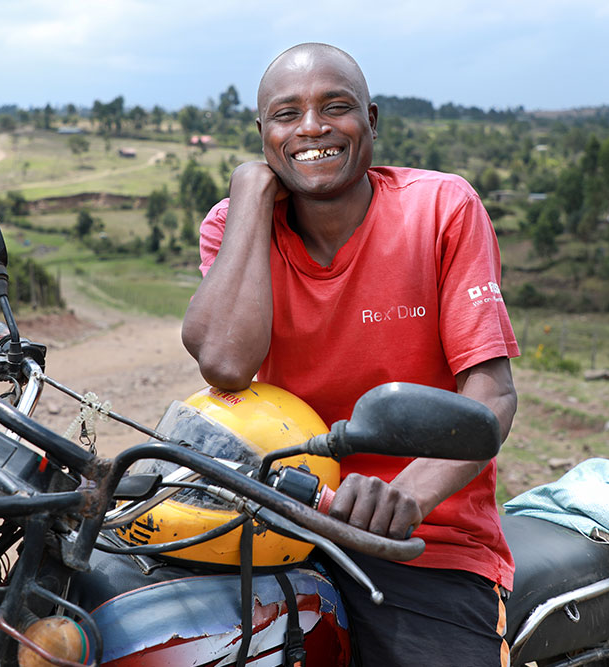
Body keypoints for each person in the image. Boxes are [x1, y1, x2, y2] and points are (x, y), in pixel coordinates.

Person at [181, 42, 519, 667]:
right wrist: (252, 194)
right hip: (274, 518)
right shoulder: (235, 224)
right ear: (262, 133)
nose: (312, 127)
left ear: (371, 121)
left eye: (336, 107)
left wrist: (408, 495)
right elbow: (227, 365)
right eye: (287, 115)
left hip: (423, 540)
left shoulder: (441, 209)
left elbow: (491, 395)